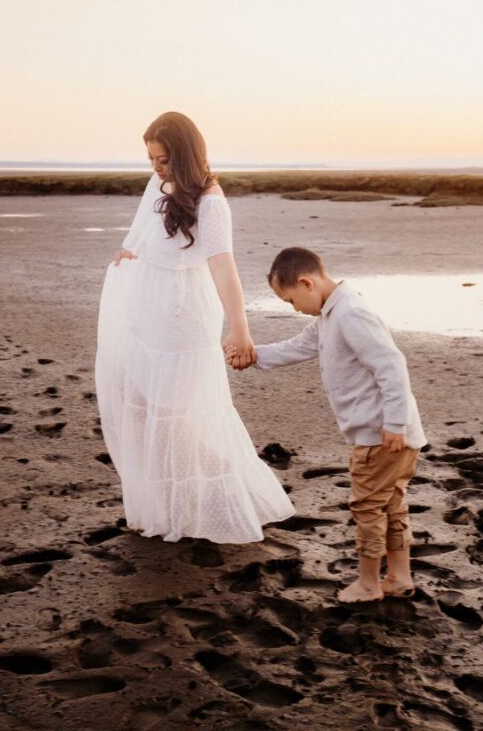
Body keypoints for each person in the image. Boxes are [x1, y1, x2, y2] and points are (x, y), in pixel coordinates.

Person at [95, 112, 295, 543]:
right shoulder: (159, 186)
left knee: (176, 414)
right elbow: (147, 237)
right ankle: (169, 503)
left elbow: (223, 267)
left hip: (183, 317)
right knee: (145, 404)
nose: (155, 168)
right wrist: (132, 255)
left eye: (163, 160)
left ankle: (209, 502)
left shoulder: (211, 202)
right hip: (147, 310)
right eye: (150, 158)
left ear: (185, 156)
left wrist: (240, 328)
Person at [226, 246, 427, 602]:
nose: (293, 308)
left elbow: (391, 365)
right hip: (389, 434)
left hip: (382, 435)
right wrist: (249, 357)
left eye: (290, 300)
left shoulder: (350, 313)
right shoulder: (329, 316)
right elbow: (296, 348)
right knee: (392, 503)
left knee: (367, 507)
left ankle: (368, 584)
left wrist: (394, 423)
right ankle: (398, 577)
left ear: (306, 282)